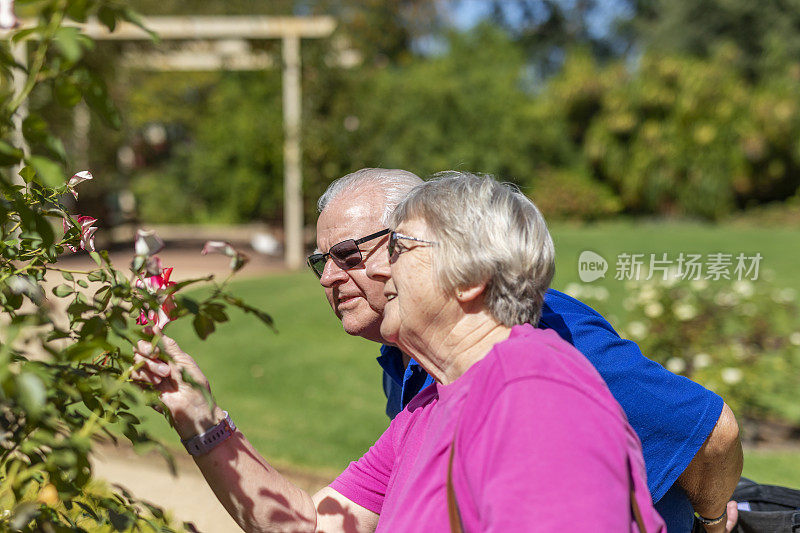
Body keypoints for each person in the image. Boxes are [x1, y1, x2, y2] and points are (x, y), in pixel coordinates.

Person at [133, 172, 667, 531]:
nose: (377, 269)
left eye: (398, 248)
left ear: (472, 277)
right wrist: (196, 415)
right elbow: (317, 526)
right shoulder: (430, 405)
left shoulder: (533, 395)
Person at [309, 168, 742, 532]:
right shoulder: (415, 363)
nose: (328, 277)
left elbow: (714, 430)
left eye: (348, 255)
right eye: (321, 261)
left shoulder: (545, 344)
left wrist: (714, 523)